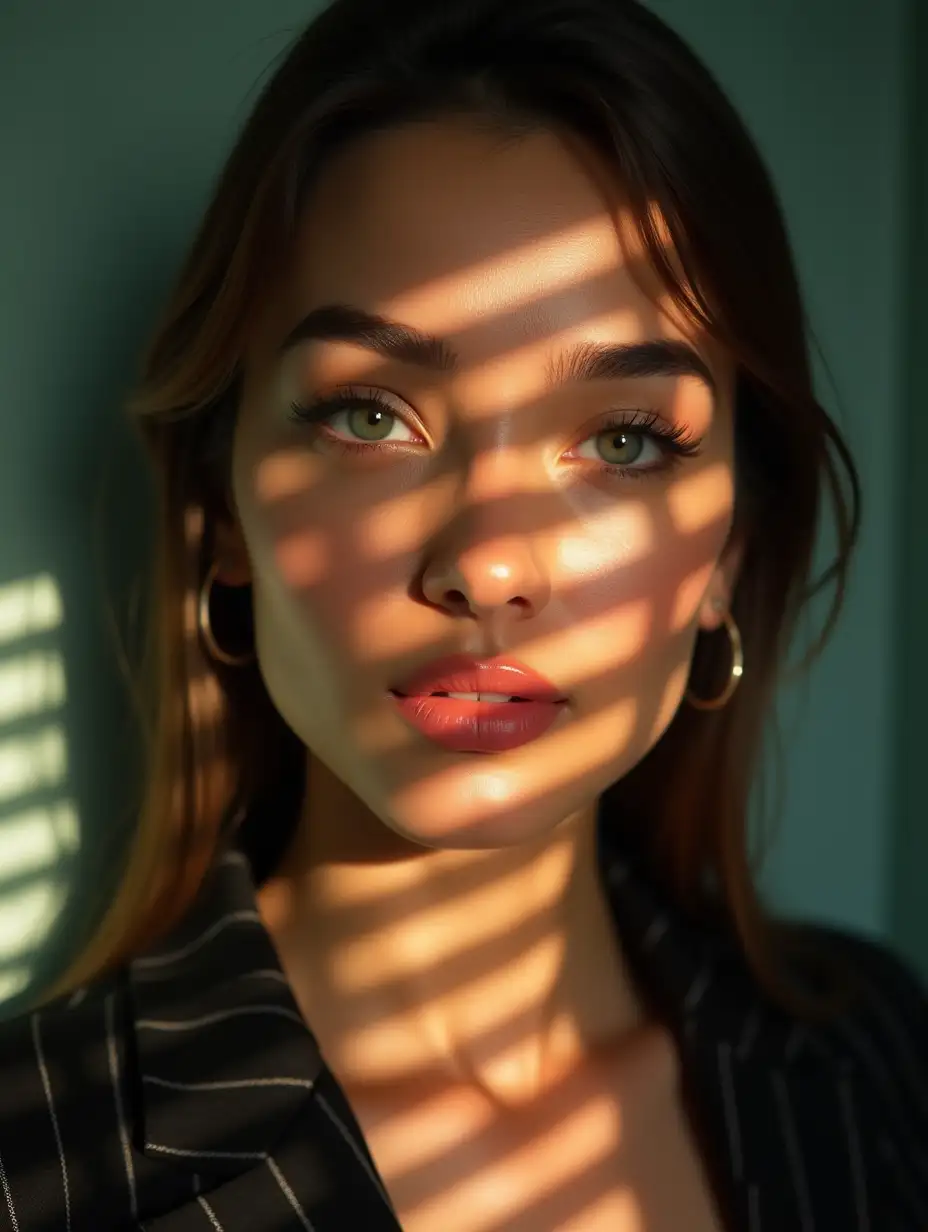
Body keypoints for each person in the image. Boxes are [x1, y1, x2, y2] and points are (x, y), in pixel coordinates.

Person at [1, 0, 926, 1227]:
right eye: (371, 415)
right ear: (226, 505)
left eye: (623, 438)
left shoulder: (876, 1062)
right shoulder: (35, 1161)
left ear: (726, 550)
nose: (487, 567)